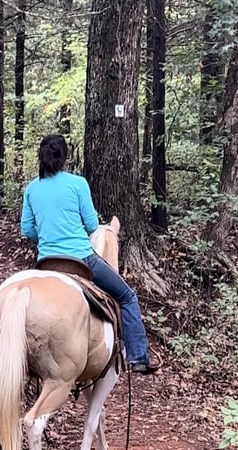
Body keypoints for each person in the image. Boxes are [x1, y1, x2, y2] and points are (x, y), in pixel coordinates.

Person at [20, 134, 160, 375]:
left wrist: (47, 232)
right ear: (64, 158)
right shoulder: (77, 184)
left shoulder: (32, 189)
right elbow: (93, 226)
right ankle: (138, 356)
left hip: (46, 263)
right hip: (82, 259)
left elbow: (27, 229)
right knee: (128, 297)